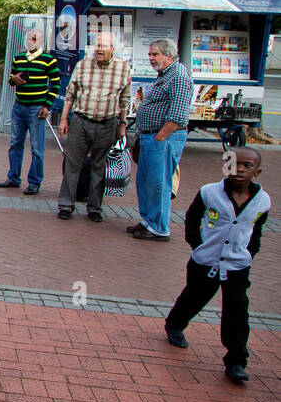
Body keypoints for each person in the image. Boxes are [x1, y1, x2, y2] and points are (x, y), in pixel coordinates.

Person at [164, 148, 268, 383]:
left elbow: (257, 229)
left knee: (237, 311)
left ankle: (236, 361)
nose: (239, 169)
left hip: (237, 265)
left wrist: (250, 252)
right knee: (194, 297)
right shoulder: (209, 192)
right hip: (205, 261)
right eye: (233, 164)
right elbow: (192, 218)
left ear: (257, 171)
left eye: (246, 166)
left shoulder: (263, 200)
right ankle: (174, 324)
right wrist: (197, 244)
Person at [56, 32, 131, 222]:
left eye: (103, 46)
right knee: (73, 164)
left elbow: (124, 100)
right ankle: (66, 205)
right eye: (96, 45)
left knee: (99, 166)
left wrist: (122, 124)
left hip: (107, 123)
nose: (98, 49)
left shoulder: (123, 69)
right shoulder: (82, 66)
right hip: (81, 121)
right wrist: (64, 119)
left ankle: (95, 207)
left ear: (113, 49)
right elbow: (70, 94)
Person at [131, 38, 194, 241]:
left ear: (169, 55)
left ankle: (159, 227)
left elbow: (177, 116)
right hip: (152, 137)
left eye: (155, 54)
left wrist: (160, 138)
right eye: (149, 54)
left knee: (159, 183)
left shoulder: (179, 77)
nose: (151, 58)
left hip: (163, 138)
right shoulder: (165, 75)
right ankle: (148, 221)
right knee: (146, 182)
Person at [0, 27, 59, 196]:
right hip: (19, 106)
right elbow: (11, 79)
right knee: (15, 143)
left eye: (35, 38)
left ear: (41, 41)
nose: (32, 41)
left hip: (37, 108)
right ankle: (14, 177)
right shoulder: (19, 58)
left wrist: (47, 106)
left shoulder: (48, 60)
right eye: (30, 38)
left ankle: (34, 181)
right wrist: (13, 80)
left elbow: (56, 84)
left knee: (37, 147)